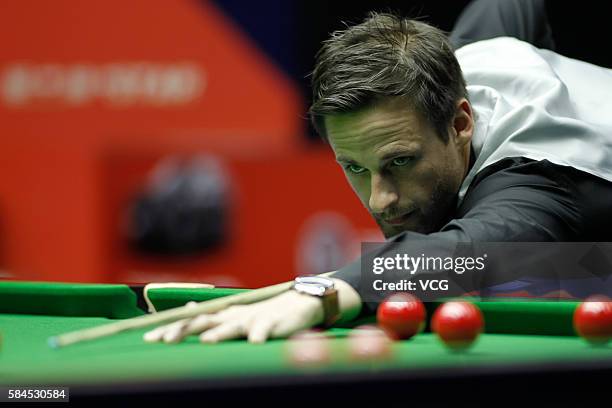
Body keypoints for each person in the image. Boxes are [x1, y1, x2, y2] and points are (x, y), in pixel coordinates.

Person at [144, 0, 612, 344]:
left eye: (400, 162)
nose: (379, 200)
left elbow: (464, 255)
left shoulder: (538, 185)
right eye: (354, 167)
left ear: (461, 123)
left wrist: (329, 290)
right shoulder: (471, 55)